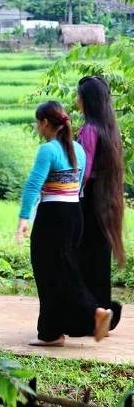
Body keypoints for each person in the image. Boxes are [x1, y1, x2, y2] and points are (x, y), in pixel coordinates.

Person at [16, 101, 112, 346]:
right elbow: (79, 184)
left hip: (53, 215)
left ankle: (93, 312)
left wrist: (23, 219)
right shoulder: (78, 150)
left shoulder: (48, 150)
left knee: (50, 272)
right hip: (74, 213)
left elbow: (33, 185)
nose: (38, 127)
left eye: (38, 123)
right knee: (62, 269)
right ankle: (51, 332)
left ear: (45, 123)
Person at [76, 75, 126, 331]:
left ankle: (90, 317)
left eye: (79, 96)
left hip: (89, 200)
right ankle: (104, 310)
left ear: (87, 100)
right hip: (106, 200)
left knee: (82, 259)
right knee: (99, 259)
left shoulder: (89, 130)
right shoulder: (110, 129)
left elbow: (83, 170)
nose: (76, 100)